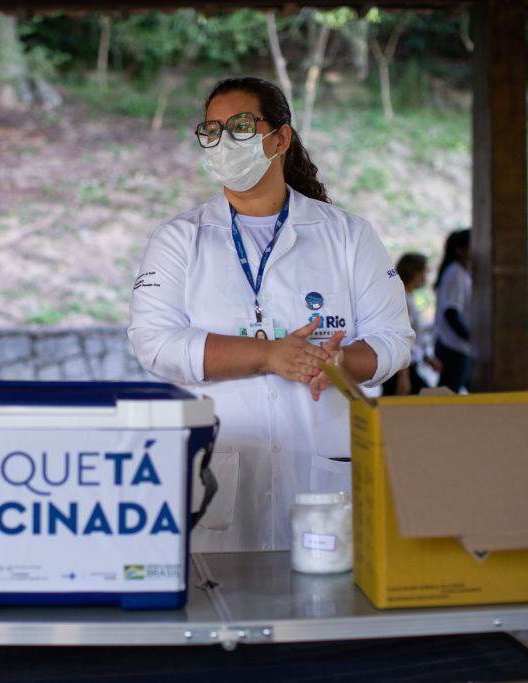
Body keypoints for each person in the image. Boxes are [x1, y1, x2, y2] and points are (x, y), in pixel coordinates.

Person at [128, 76, 413, 552]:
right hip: (221, 469)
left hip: (324, 475)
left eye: (241, 125)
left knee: (328, 604)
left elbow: (394, 339)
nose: (224, 142)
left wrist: (339, 366)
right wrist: (268, 356)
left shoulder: (347, 234)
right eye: (212, 131)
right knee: (221, 607)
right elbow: (154, 342)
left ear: (279, 138)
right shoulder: (179, 238)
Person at [381, 253, 441, 396]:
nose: (425, 278)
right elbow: (400, 338)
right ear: (413, 273)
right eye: (423, 272)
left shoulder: (407, 297)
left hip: (407, 366)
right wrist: (404, 377)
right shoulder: (401, 299)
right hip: (401, 369)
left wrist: (426, 357)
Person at [433, 228, 473, 392]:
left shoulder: (462, 272)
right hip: (453, 346)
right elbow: (451, 312)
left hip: (458, 346)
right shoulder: (455, 273)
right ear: (460, 250)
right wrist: (468, 336)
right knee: (447, 394)